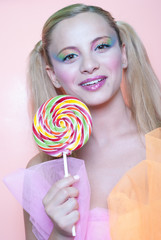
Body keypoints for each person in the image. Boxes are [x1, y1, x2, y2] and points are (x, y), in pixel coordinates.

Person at [6, 3, 161, 240]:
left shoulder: (157, 145)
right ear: (53, 75)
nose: (89, 66)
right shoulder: (41, 172)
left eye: (100, 46)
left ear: (124, 54)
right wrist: (60, 233)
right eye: (70, 56)